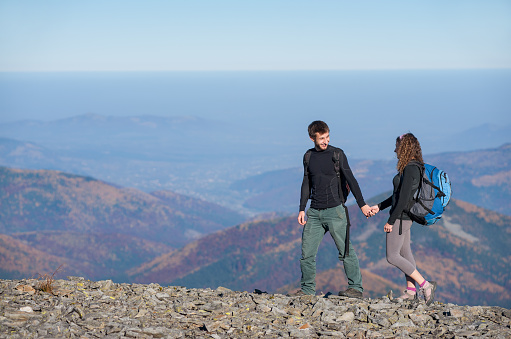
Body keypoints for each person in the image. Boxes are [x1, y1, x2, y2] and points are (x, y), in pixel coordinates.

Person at [291, 120, 374, 298]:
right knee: (307, 254)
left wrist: (362, 204)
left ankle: (356, 289)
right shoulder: (308, 157)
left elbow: (351, 179)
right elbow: (306, 182)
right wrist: (301, 208)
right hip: (314, 212)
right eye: (321, 138)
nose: (325, 141)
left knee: (345, 251)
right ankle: (307, 290)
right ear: (311, 138)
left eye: (327, 137)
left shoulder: (337, 154)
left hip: (335, 211)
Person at [370, 133, 437, 305]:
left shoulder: (410, 169)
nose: (395, 150)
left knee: (392, 256)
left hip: (401, 217)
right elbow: (398, 195)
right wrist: (379, 206)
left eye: (397, 147)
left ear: (404, 147)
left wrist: (390, 221)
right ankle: (411, 291)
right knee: (405, 253)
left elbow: (404, 199)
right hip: (406, 217)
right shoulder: (414, 166)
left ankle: (425, 285)